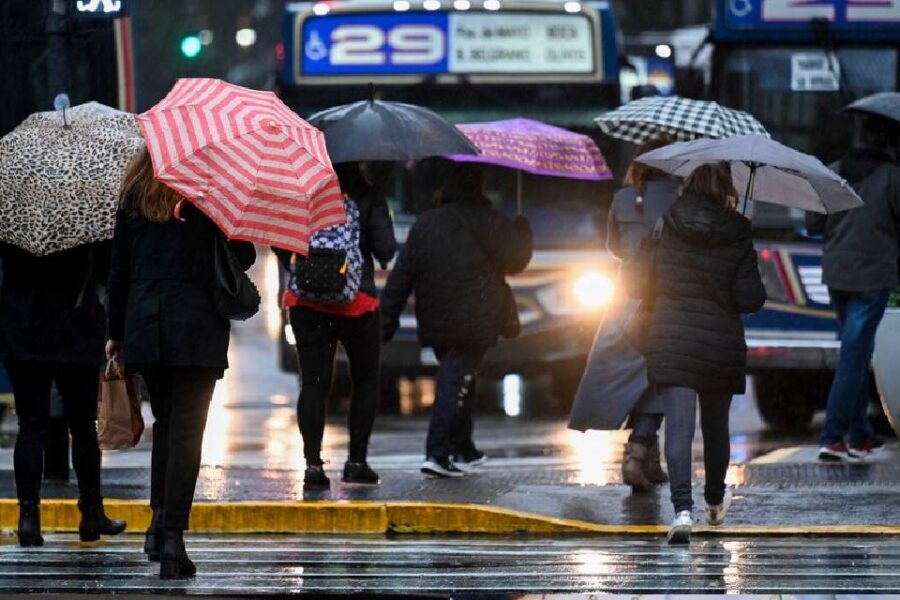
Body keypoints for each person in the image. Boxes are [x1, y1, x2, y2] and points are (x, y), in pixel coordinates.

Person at [106, 147, 255, 578]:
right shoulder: (209, 195)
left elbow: (119, 271)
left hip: (145, 327)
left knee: (167, 426)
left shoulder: (133, 195)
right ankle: (173, 538)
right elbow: (241, 256)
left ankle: (156, 525)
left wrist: (116, 333)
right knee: (187, 434)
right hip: (196, 330)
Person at [627, 162, 765, 543]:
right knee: (716, 427)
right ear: (725, 189)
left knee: (679, 425)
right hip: (719, 341)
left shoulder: (665, 222)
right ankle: (715, 503)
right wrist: (745, 247)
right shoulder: (738, 230)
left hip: (671, 336)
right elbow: (750, 299)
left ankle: (682, 512)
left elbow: (638, 283)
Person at [381, 162, 533, 477]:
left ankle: (464, 448)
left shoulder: (425, 224)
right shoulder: (491, 221)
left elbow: (402, 277)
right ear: (477, 185)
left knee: (461, 376)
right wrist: (523, 229)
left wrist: (386, 321)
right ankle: (437, 453)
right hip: (476, 319)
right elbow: (517, 260)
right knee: (455, 378)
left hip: (434, 319)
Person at [275, 162, 397, 490]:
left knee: (313, 384)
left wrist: (306, 270)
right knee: (366, 380)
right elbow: (386, 250)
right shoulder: (368, 196)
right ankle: (356, 462)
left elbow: (278, 240)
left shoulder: (301, 193)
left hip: (306, 304)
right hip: (357, 303)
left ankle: (313, 467)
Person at [568, 138, 678, 492]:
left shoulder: (622, 198)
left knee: (630, 376)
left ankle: (648, 459)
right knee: (659, 376)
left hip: (624, 298)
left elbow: (613, 247)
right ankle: (638, 448)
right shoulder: (681, 198)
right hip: (663, 298)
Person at [0, 241, 127, 547]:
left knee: (31, 426)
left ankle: (29, 518)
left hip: (23, 330)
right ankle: (91, 512)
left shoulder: (16, 212)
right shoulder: (82, 215)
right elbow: (105, 270)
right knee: (83, 427)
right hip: (75, 330)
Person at [808, 111, 900, 462]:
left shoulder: (832, 171)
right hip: (873, 275)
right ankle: (833, 437)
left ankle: (860, 435)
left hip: (836, 274)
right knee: (854, 355)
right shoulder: (891, 177)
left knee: (855, 351)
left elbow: (813, 222)